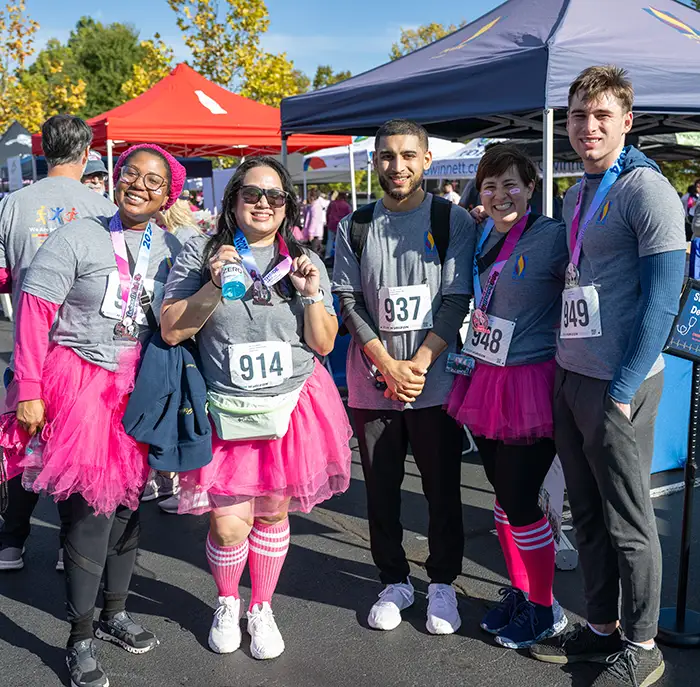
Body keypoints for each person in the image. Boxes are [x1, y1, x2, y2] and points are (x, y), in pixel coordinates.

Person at [0, 143, 184, 687]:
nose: (140, 186)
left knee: (129, 507)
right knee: (89, 515)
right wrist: (28, 388)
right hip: (80, 384)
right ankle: (78, 640)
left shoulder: (172, 245)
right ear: (115, 177)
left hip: (140, 390)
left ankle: (114, 614)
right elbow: (34, 311)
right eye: (132, 174)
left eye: (154, 182)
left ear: (168, 195)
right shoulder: (78, 234)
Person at [529, 66, 686, 687]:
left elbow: (663, 300)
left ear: (626, 121)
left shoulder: (648, 191)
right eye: (577, 116)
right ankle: (601, 629)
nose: (587, 127)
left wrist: (622, 388)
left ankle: (643, 643)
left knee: (628, 520)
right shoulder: (576, 193)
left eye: (600, 116)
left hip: (619, 384)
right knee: (586, 515)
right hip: (572, 375)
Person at [160, 156, 352, 661]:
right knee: (227, 522)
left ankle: (261, 607)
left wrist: (312, 295)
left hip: (291, 405)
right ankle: (227, 600)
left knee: (271, 513)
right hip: (226, 408)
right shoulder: (201, 253)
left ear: (287, 205)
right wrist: (212, 281)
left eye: (275, 196)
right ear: (233, 200)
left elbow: (326, 344)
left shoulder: (305, 259)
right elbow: (172, 328)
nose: (263, 203)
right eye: (251, 193)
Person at [333, 119, 474, 635]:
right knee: (382, 492)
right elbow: (347, 300)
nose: (398, 166)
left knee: (443, 490)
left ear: (426, 160)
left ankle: (442, 583)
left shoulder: (451, 218)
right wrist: (388, 366)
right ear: (375, 162)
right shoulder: (355, 224)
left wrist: (417, 364)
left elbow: (456, 298)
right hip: (373, 387)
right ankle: (394, 579)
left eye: (408, 155)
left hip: (434, 385)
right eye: (388, 156)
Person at [445, 144, 569, 648]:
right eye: (490, 186)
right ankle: (523, 592)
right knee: (502, 496)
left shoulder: (554, 237)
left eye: (511, 184)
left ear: (532, 186)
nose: (500, 196)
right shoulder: (478, 233)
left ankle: (546, 607)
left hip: (531, 381)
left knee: (520, 498)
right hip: (485, 373)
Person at [0, 115, 115, 573]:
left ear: (42, 150)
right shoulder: (100, 206)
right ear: (86, 153)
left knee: (23, 443)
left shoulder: (12, 203)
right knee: (78, 448)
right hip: (84, 348)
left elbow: (3, 273)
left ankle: (10, 541)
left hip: (31, 345)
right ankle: (74, 546)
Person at [324, 190, 352, 262]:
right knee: (340, 241)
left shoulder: (332, 203)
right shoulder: (346, 205)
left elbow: (327, 213)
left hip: (332, 224)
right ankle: (339, 256)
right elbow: (350, 216)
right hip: (341, 225)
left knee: (329, 240)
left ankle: (327, 256)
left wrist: (328, 222)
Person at [302, 187, 326, 254]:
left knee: (313, 254)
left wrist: (310, 233)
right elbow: (306, 215)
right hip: (313, 234)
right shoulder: (313, 205)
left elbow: (314, 220)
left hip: (315, 234)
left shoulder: (316, 206)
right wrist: (304, 207)